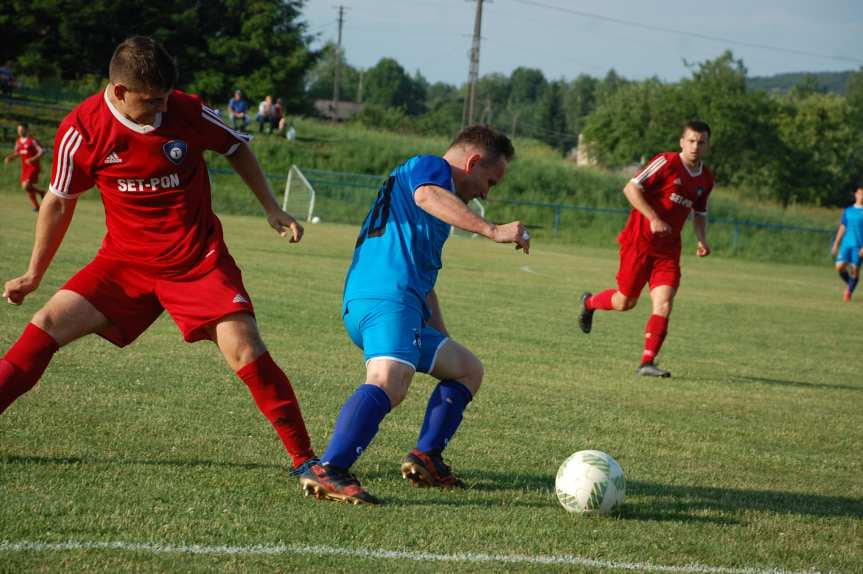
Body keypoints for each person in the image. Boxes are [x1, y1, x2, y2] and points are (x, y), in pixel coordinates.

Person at [0, 36, 319, 478]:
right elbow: (57, 201)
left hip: (196, 261)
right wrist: (34, 273)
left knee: (245, 348)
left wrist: (271, 206)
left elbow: (237, 146)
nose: (160, 110)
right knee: (46, 325)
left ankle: (308, 462)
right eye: (149, 101)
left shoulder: (186, 110)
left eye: (165, 99)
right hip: (123, 265)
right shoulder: (83, 129)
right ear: (117, 91)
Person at [298, 125, 530, 505]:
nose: (486, 193)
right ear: (471, 163)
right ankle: (331, 469)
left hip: (387, 300)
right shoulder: (429, 168)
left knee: (467, 369)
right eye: (489, 180)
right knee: (390, 380)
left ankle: (427, 458)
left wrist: (441, 336)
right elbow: (427, 195)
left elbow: (424, 277)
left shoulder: (433, 211)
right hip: (388, 297)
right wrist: (491, 229)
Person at [578, 120, 714, 378]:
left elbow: (700, 212)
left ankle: (647, 362)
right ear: (682, 142)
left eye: (701, 142)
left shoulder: (706, 179)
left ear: (707, 145)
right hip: (639, 243)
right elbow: (630, 188)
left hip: (668, 251)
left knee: (663, 303)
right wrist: (653, 217)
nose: (696, 146)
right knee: (625, 301)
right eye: (691, 141)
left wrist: (702, 239)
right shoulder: (666, 162)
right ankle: (590, 302)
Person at [830, 186, 863, 302]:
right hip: (846, 244)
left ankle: (848, 292)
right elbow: (843, 227)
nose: (861, 195)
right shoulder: (848, 210)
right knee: (839, 267)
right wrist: (836, 243)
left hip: (859, 246)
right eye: (859, 193)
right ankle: (851, 283)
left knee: (855, 270)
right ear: (855, 194)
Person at [4, 122, 46, 211]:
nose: (19, 132)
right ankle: (38, 203)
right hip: (25, 168)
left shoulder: (32, 141)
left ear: (26, 130)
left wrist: (32, 159)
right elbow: (17, 152)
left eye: (21, 130)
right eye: (18, 130)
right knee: (27, 187)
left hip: (33, 167)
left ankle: (41, 194)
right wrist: (10, 158)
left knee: (26, 185)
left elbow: (42, 151)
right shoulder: (18, 141)